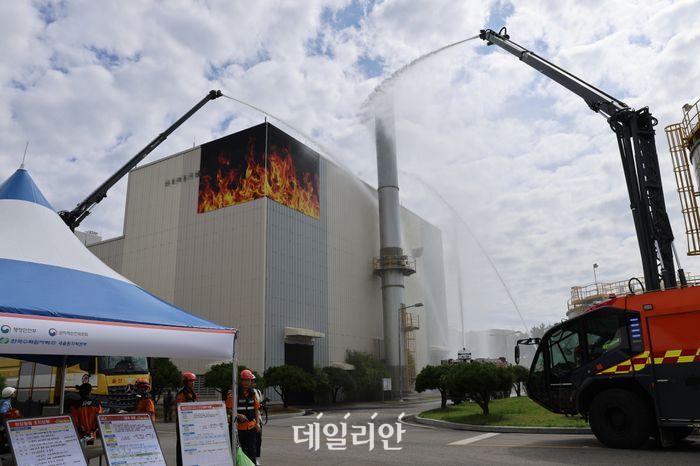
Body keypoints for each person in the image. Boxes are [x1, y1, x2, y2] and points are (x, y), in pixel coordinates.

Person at [236, 369, 260, 464]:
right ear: (241, 381)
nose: (247, 382)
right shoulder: (234, 393)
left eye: (249, 380)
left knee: (252, 451)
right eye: (245, 380)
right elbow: (229, 409)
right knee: (240, 451)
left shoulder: (253, 393)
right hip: (238, 428)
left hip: (251, 427)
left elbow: (256, 409)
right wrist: (238, 415)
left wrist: (257, 423)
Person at [175, 372, 198, 466]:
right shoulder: (181, 395)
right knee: (182, 446)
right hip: (183, 425)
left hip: (193, 424)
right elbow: (179, 410)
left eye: (193, 381)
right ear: (185, 383)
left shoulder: (193, 394)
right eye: (190, 381)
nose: (193, 383)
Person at [252, 377, 264, 465]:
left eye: (253, 381)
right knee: (249, 441)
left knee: (258, 440)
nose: (251, 383)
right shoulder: (242, 392)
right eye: (249, 381)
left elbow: (259, 406)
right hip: (247, 420)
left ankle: (255, 458)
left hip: (257, 419)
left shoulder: (258, 392)